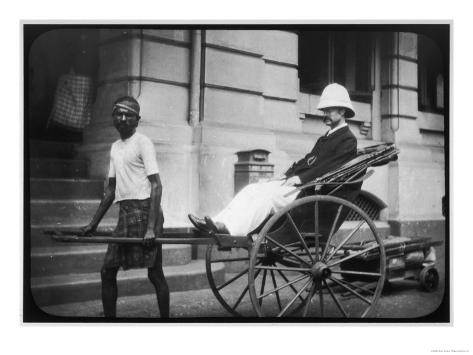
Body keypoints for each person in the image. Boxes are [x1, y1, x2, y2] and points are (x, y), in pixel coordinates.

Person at [189, 83, 358, 237]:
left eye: (329, 110)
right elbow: (307, 161)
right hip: (300, 186)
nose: (325, 114)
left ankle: (231, 230)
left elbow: (331, 168)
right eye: (324, 110)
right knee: (252, 188)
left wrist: (302, 178)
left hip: (311, 192)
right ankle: (217, 223)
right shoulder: (326, 137)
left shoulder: (348, 140)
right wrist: (285, 175)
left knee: (267, 198)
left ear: (342, 111)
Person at [81, 96, 170, 318]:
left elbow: (156, 184)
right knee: (107, 271)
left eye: (128, 114)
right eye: (118, 114)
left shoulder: (143, 142)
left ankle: (166, 322)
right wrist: (92, 224)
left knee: (155, 274)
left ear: (137, 120)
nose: (122, 118)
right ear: (113, 118)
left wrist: (151, 228)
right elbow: (110, 191)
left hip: (145, 212)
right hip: (125, 214)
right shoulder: (115, 147)